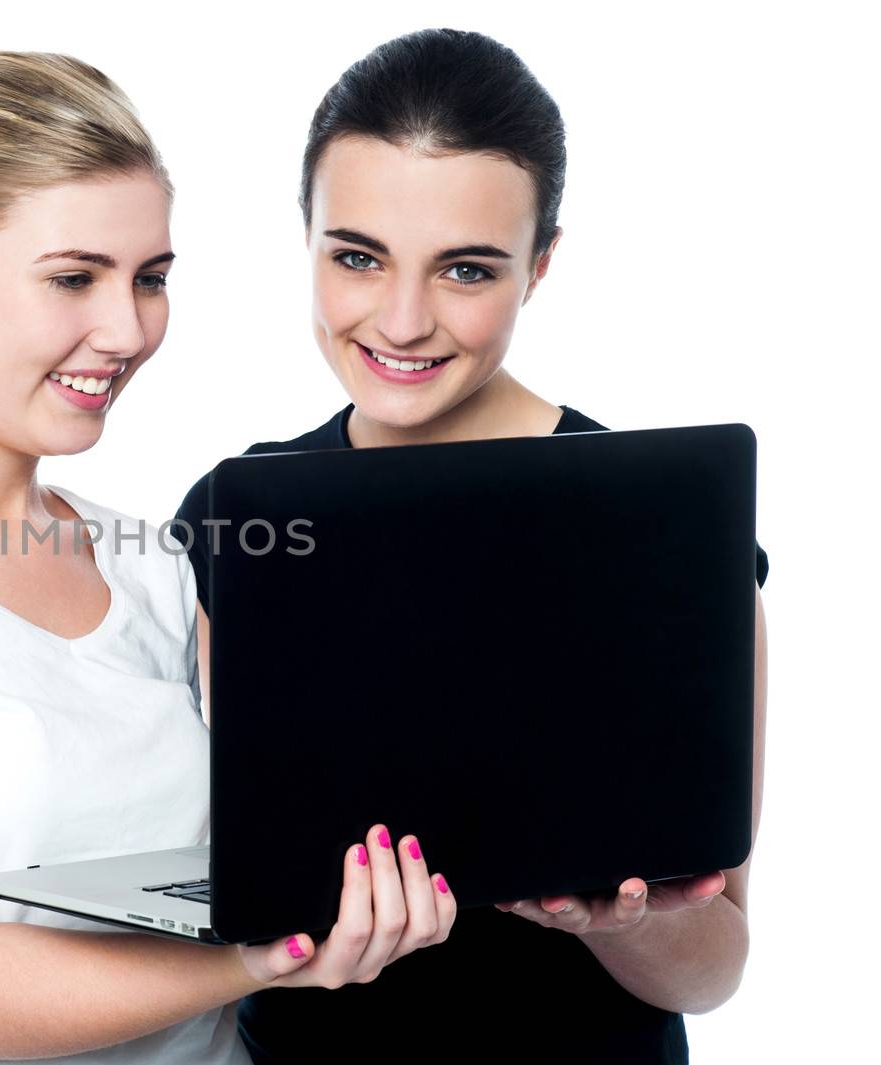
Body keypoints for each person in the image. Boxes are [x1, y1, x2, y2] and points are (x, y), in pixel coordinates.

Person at [0, 51, 459, 1063]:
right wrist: (264, 958)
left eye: (150, 280)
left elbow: (300, 824)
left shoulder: (153, 563)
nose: (125, 329)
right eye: (74, 278)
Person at [171, 28, 770, 1064]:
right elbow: (240, 887)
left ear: (538, 265)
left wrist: (623, 921)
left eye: (464, 269)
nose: (401, 321)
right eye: (356, 257)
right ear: (304, 240)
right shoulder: (242, 517)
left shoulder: (660, 531)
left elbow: (714, 969)